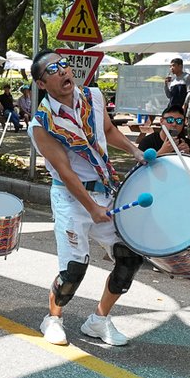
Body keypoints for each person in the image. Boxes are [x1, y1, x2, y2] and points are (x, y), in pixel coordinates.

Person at [29, 50, 147, 347]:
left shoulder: (93, 97)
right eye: (53, 69)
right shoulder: (42, 123)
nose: (63, 71)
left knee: (130, 257)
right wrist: (91, 207)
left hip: (104, 191)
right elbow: (66, 172)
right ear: (42, 84)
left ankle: (98, 320)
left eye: (64, 65)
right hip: (72, 198)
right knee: (73, 272)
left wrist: (133, 150)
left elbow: (107, 129)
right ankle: (53, 318)